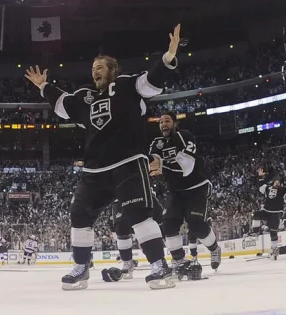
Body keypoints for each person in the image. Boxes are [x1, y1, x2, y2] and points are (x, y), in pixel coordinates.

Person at [24, 24, 181, 291]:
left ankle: (159, 266)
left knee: (139, 214)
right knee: (79, 214)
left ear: (112, 70)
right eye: (93, 67)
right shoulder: (85, 97)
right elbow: (63, 104)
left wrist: (167, 58)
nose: (95, 70)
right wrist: (43, 87)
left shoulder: (126, 85)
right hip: (95, 169)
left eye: (100, 66)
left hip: (128, 162)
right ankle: (81, 267)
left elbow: (151, 81)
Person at [149, 112, 223, 276]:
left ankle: (214, 248)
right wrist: (151, 166)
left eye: (167, 120)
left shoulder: (185, 136)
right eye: (160, 122)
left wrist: (161, 166)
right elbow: (152, 161)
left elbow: (187, 167)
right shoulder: (157, 143)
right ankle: (179, 261)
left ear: (175, 124)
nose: (163, 124)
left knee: (195, 222)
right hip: (175, 190)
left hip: (196, 186)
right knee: (168, 224)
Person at [253, 168, 286, 258]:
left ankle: (273, 250)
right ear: (273, 183)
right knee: (256, 214)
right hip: (266, 211)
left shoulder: (283, 189)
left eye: (279, 182)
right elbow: (261, 187)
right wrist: (260, 176)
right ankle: (255, 232)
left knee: (273, 233)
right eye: (276, 182)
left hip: (276, 213)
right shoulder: (267, 188)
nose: (277, 183)